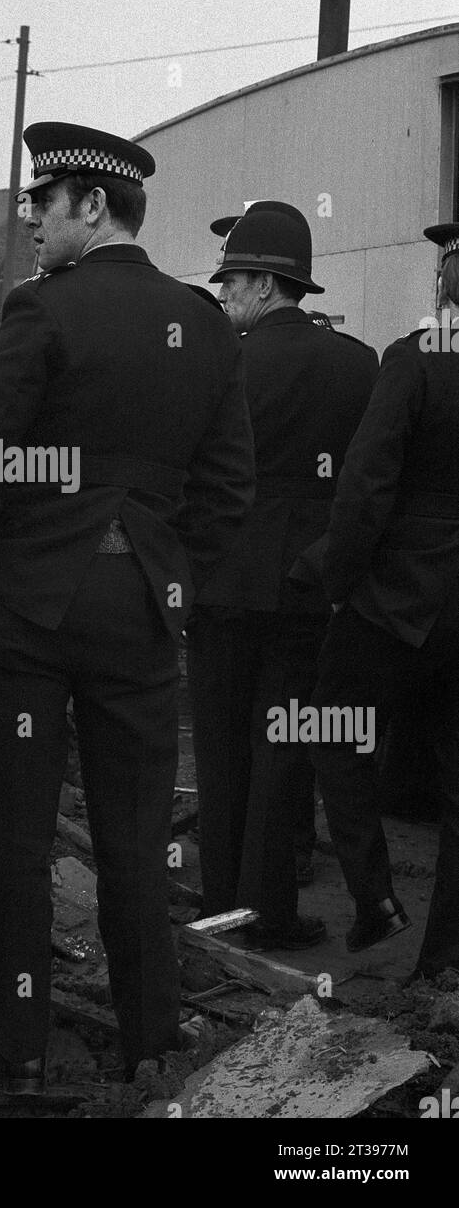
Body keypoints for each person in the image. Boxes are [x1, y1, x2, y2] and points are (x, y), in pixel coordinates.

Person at [0, 121, 255, 1091]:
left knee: (20, 848)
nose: (31, 218)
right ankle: (152, 1049)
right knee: (133, 844)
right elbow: (230, 488)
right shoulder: (202, 322)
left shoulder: (41, 311)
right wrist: (167, 579)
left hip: (29, 614)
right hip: (138, 614)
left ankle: (20, 1060)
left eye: (44, 202)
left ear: (92, 206)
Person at [186, 202, 378, 950]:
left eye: (231, 280)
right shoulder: (358, 364)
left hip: (221, 589)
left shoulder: (223, 362)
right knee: (281, 749)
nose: (225, 294)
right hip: (305, 593)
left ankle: (216, 907)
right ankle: (267, 911)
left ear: (265, 284)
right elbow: (366, 485)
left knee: (219, 749)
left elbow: (192, 478)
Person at [308, 219, 459, 973]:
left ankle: (374, 903)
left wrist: (338, 583)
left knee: (335, 735)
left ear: (445, 280)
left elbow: (362, 489)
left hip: (394, 602)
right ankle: (447, 960)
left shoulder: (413, 361)